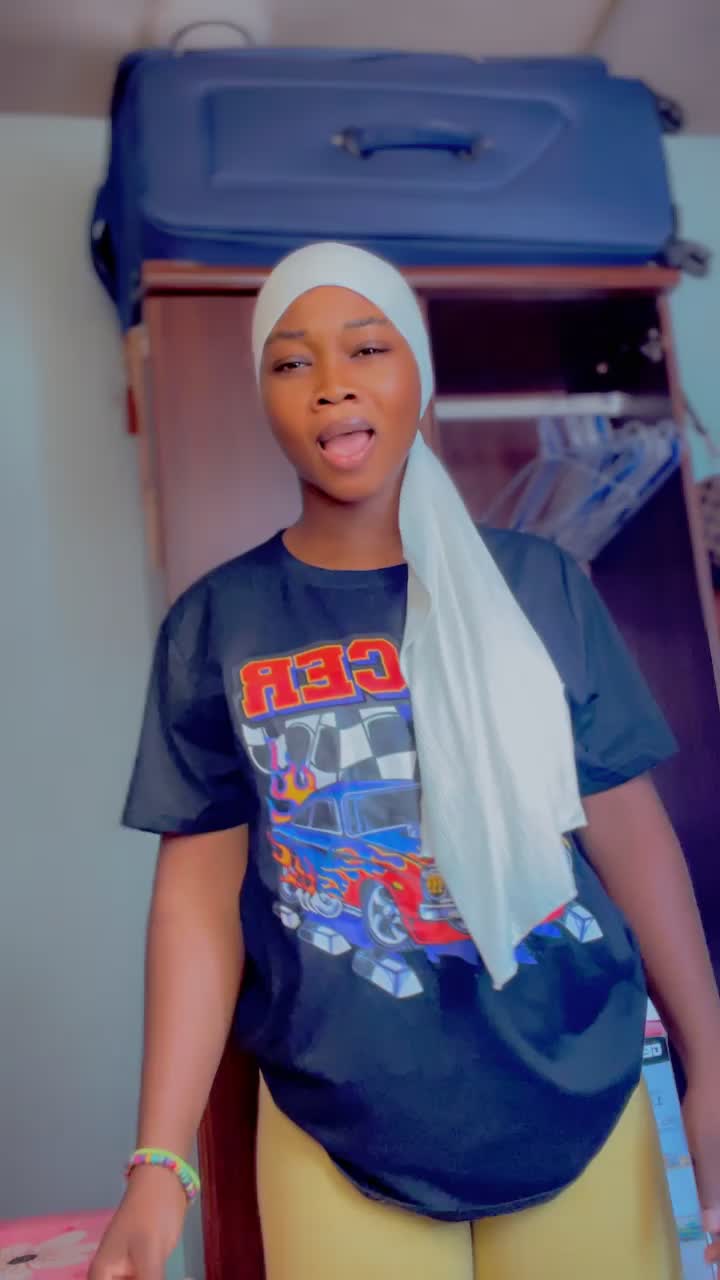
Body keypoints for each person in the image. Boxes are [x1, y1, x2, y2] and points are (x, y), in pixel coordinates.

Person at [91, 243, 720, 1280]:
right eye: (292, 361)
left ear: (417, 371)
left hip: (577, 1085)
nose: (331, 382)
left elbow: (631, 834)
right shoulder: (219, 622)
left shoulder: (540, 586)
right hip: (340, 1119)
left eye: (366, 348)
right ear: (263, 396)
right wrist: (160, 1159)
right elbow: (197, 902)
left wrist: (712, 1062)